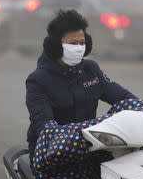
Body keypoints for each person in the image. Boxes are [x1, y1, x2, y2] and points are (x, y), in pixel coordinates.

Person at [25, 9, 137, 162]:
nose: (78, 47)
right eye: (72, 43)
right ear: (55, 45)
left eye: (82, 43)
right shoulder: (38, 80)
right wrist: (70, 136)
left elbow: (122, 97)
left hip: (91, 146)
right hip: (52, 152)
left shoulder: (91, 69)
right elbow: (42, 123)